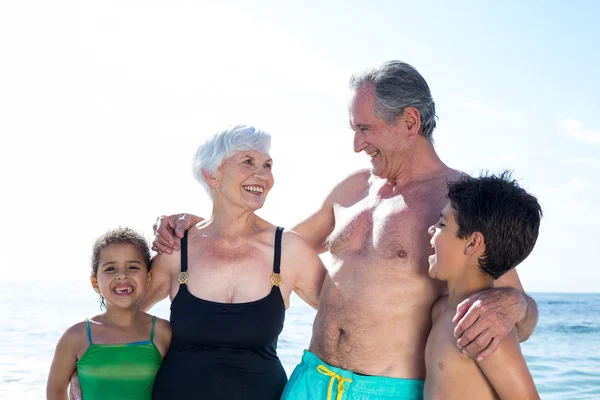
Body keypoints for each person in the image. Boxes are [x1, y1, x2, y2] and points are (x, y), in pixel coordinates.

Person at [153, 61, 539, 400]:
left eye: (365, 129)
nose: (357, 145)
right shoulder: (353, 189)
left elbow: (519, 314)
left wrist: (516, 304)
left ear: (409, 122)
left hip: (388, 389)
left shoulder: (459, 202)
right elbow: (269, 244)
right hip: (311, 380)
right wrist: (202, 225)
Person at [144, 125, 325, 399]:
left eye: (267, 165)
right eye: (248, 162)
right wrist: (79, 369)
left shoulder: (289, 250)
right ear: (212, 176)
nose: (262, 174)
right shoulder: (176, 248)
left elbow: (347, 319)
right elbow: (121, 317)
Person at [425, 171, 541, 399]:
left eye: (442, 223)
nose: (431, 229)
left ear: (473, 243)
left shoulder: (484, 329)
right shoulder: (440, 311)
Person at [47, 227, 171, 400]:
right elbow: (55, 393)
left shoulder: (164, 332)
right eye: (110, 269)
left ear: (148, 278)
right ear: (95, 282)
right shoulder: (75, 336)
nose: (122, 275)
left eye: (133, 267)